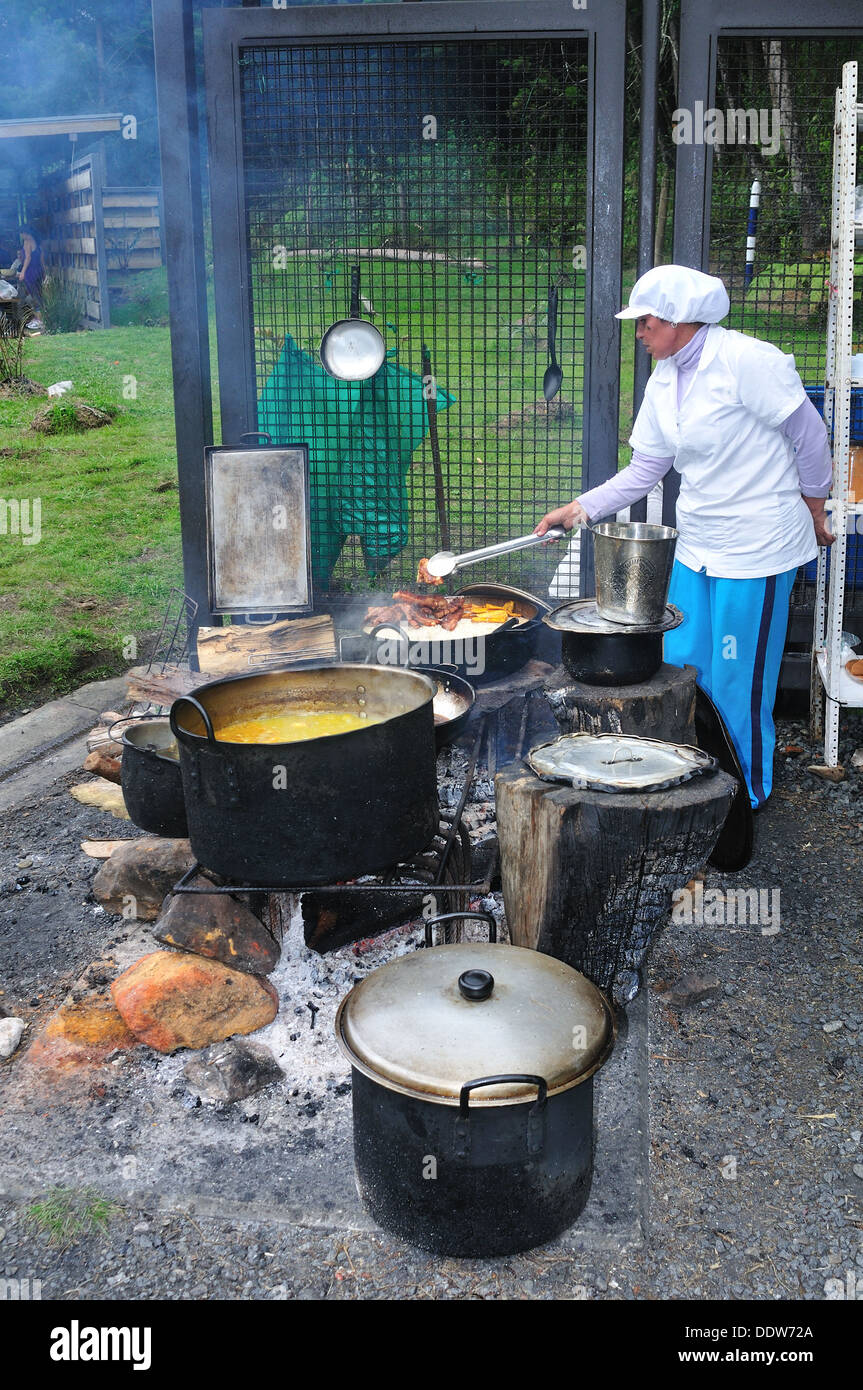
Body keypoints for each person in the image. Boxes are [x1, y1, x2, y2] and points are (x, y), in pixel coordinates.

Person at [535, 264, 834, 810]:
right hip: (698, 548)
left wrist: (815, 508)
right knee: (689, 670)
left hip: (757, 548)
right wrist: (577, 510)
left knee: (738, 682)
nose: (640, 333)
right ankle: (697, 787)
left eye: (645, 322)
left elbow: (811, 437)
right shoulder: (666, 376)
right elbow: (644, 470)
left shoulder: (749, 361)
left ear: (676, 319)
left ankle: (744, 798)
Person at [14, 226, 44, 306]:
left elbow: (28, 257)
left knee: (34, 295)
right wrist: (44, 272)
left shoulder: (27, 241)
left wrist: (23, 272)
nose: (20, 236)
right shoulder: (37, 242)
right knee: (39, 293)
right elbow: (42, 260)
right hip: (39, 271)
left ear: (24, 233)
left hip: (31, 272)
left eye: (21, 234)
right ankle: (42, 312)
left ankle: (38, 313)